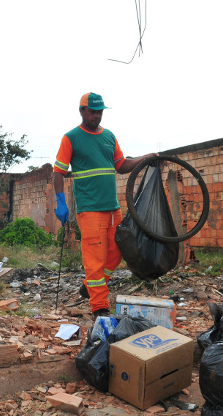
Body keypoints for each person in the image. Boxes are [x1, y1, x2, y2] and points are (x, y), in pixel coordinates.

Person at [53, 92, 156, 318]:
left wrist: (144, 158)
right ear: (82, 111)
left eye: (100, 111)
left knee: (116, 253)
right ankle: (99, 306)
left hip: (112, 209)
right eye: (92, 111)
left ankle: (90, 286)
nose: (97, 116)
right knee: (95, 258)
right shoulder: (71, 138)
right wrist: (60, 202)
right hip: (90, 210)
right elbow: (58, 172)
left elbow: (121, 164)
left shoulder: (109, 136)